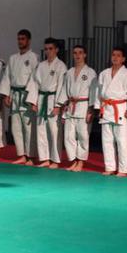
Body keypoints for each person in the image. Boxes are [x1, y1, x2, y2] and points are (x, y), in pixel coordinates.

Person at [94, 47, 127, 177]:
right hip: (106, 108)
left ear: (123, 59)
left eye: (118, 55)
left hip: (120, 108)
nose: (115, 57)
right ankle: (110, 167)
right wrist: (98, 107)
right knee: (107, 140)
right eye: (113, 55)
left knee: (122, 140)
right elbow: (98, 91)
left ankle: (123, 169)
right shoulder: (104, 73)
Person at [0, 29, 39, 165]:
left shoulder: (34, 57)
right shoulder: (12, 58)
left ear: (28, 41)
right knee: (16, 128)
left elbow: (35, 79)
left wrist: (32, 98)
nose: (20, 41)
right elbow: (7, 77)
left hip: (27, 95)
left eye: (23, 39)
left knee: (28, 127)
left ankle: (31, 156)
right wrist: (6, 95)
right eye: (19, 39)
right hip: (15, 95)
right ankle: (22, 154)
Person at [26, 38, 67, 168]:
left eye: (50, 49)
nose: (48, 51)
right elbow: (34, 83)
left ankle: (55, 160)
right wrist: (34, 101)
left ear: (56, 50)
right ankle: (45, 158)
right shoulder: (41, 65)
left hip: (53, 99)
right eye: (46, 49)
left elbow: (62, 86)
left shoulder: (61, 66)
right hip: (42, 98)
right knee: (41, 130)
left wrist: (58, 105)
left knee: (54, 132)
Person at [56, 44, 97, 172]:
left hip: (84, 106)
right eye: (75, 53)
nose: (77, 55)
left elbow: (93, 91)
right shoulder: (69, 72)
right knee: (68, 136)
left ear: (85, 55)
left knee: (83, 135)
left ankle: (81, 162)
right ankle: (73, 160)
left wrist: (91, 110)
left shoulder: (90, 72)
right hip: (70, 106)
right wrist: (62, 107)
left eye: (80, 52)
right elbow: (64, 90)